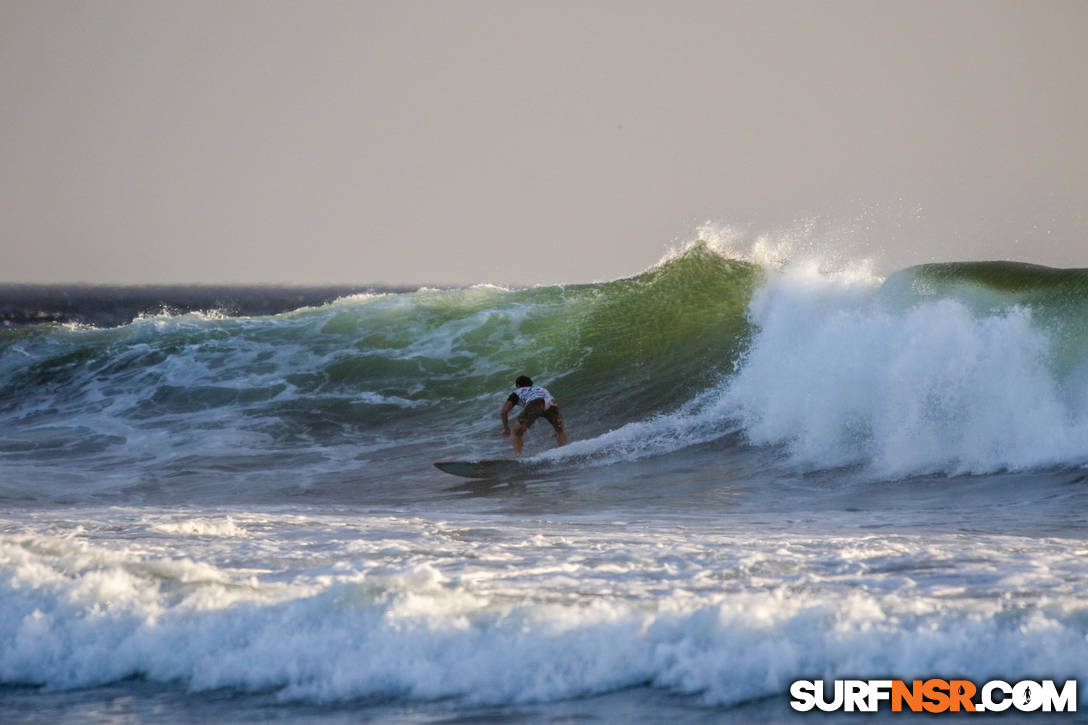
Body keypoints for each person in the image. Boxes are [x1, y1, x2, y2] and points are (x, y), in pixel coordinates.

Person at [500, 375, 567, 455]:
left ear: (517, 386)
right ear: (531, 384)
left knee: (516, 432)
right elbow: (548, 400)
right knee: (559, 430)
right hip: (551, 404)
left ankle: (519, 456)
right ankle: (564, 451)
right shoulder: (541, 388)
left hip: (535, 403)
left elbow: (503, 412)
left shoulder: (517, 392)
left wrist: (506, 428)